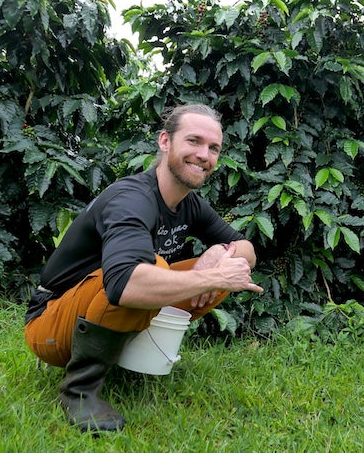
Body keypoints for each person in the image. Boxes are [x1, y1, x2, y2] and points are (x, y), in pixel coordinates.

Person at [24, 104, 264, 433]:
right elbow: (125, 284)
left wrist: (223, 252)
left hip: (102, 308)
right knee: (155, 267)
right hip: (50, 325)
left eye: (213, 148)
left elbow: (248, 250)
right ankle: (78, 391)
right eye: (193, 141)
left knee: (223, 264)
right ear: (165, 141)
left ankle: (120, 352)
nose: (204, 154)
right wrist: (213, 275)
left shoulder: (188, 204)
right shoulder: (132, 198)